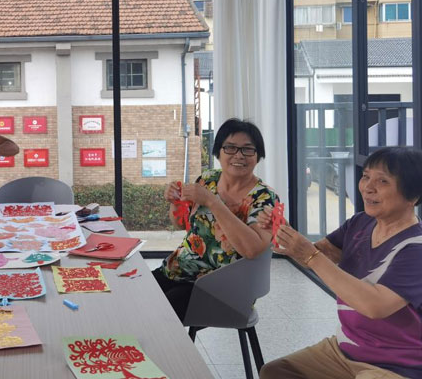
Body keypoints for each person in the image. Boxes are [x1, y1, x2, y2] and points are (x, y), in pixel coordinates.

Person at [259, 147, 422, 379]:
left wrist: (311, 256)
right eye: (365, 176)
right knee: (276, 372)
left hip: (395, 365)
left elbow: (375, 306)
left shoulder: (415, 248)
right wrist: (286, 235)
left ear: (412, 196)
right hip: (345, 349)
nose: (367, 187)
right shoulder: (360, 223)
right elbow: (318, 255)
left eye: (383, 181)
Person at [152, 117, 279, 321]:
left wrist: (212, 202)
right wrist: (174, 202)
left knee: (159, 315)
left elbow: (252, 250)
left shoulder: (265, 198)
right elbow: (182, 224)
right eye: (230, 148)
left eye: (248, 149)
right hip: (179, 271)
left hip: (224, 288)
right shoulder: (207, 179)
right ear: (218, 152)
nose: (239, 155)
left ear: (258, 156)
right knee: (135, 296)